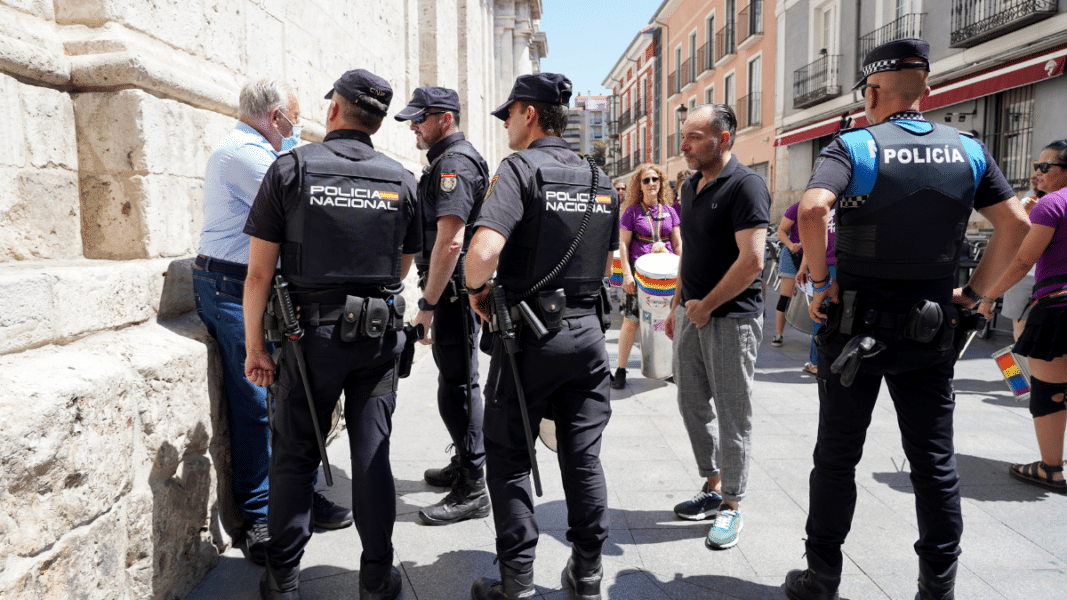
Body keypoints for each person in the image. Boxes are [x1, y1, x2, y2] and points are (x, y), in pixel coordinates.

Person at [782, 39, 1029, 600]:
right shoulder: (968, 148)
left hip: (853, 332)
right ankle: (937, 587)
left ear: (872, 91)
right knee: (934, 463)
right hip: (932, 328)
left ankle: (821, 578)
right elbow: (1014, 224)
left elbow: (814, 207)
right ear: (927, 90)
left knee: (837, 457)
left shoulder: (854, 146)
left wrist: (821, 284)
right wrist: (977, 295)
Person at [242, 69, 420, 600]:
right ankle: (375, 578)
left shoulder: (291, 168)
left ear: (334, 111)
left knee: (295, 456)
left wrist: (255, 347)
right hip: (377, 339)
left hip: (307, 341)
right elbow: (404, 265)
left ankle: (284, 580)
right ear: (379, 119)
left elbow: (257, 274)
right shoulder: (401, 179)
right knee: (371, 455)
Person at [464, 72, 619, 600]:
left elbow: (484, 251)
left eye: (509, 113)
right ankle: (589, 573)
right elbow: (606, 259)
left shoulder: (519, 169)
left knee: (508, 456)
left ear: (529, 113)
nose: (506, 122)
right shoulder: (601, 178)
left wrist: (475, 291)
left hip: (529, 340)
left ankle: (518, 584)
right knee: (583, 456)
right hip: (588, 334)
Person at [192, 79, 351, 567]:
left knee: (288, 399)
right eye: (294, 118)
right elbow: (308, 201)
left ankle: (295, 497)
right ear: (276, 115)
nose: (296, 128)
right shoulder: (244, 153)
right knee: (256, 401)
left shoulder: (265, 152)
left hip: (264, 288)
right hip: (235, 287)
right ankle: (259, 514)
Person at [664, 104, 769, 550]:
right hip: (692, 313)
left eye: (693, 137)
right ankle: (712, 485)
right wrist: (678, 303)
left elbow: (753, 261)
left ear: (723, 138)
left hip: (731, 319)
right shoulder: (690, 187)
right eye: (683, 136)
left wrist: (706, 305)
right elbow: (691, 250)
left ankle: (732, 506)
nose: (683, 145)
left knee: (732, 415)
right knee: (691, 405)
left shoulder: (746, 185)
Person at [394, 86, 491, 525]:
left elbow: (451, 240)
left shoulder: (453, 164)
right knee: (456, 382)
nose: (413, 125)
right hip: (452, 290)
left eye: (420, 118)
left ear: (445, 119)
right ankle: (465, 464)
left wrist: (427, 303)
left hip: (451, 292)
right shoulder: (449, 161)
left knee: (458, 386)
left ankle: (473, 486)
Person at [979, 139, 1067, 495]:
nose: (1037, 173)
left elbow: (1021, 260)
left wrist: (986, 298)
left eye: (1045, 167)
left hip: (1055, 303)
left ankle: (1050, 469)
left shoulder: (1051, 205)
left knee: (1048, 390)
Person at [612, 163, 681, 389]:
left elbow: (678, 244)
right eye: (646, 180)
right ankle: (621, 370)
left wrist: (684, 272)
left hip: (668, 277)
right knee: (632, 322)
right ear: (639, 185)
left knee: (666, 322)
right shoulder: (631, 212)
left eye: (655, 179)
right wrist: (627, 276)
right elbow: (623, 244)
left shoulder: (670, 211)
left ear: (661, 183)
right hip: (640, 276)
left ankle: (665, 368)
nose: (651, 183)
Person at [999, 166, 1049, 340]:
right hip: (1022, 275)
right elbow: (1010, 234)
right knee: (1020, 332)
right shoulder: (1026, 200)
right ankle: (1014, 368)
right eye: (1036, 172)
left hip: (1050, 278)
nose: (1037, 176)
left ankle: (1027, 366)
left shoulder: (1059, 202)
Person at [795, 208, 837, 375]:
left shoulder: (821, 207)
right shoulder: (851, 202)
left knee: (819, 315)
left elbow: (811, 240)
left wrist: (803, 267)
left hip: (822, 269)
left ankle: (816, 363)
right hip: (845, 267)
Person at [770, 202, 803, 349]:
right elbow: (781, 231)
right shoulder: (796, 208)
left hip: (812, 256)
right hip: (791, 255)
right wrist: (790, 245)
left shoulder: (826, 209)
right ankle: (778, 334)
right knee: (786, 295)